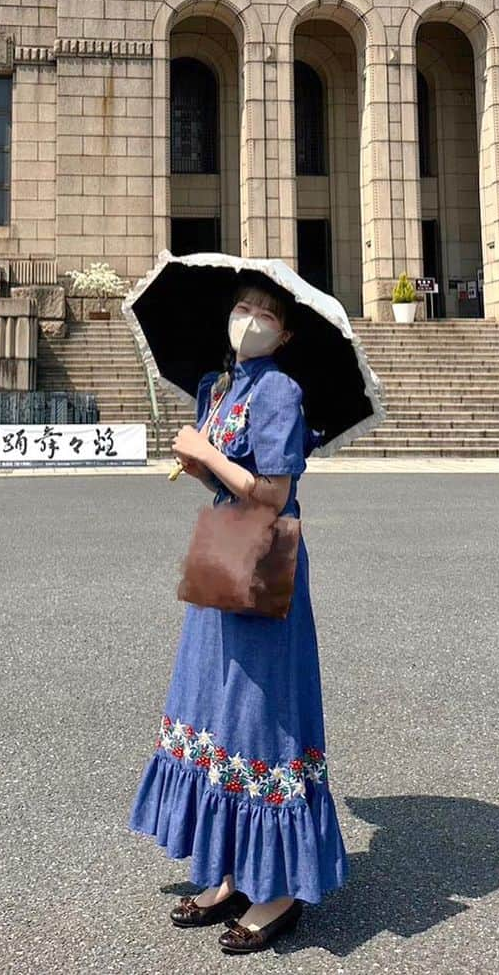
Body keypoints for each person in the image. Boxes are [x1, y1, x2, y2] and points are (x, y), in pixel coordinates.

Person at [128, 272, 348, 954]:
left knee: (259, 712)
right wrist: (199, 463)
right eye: (243, 307)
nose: (249, 319)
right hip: (224, 550)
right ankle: (231, 869)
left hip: (261, 556)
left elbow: (274, 492)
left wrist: (207, 453)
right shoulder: (222, 387)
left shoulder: (280, 390)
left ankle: (279, 889)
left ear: (285, 333)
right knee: (211, 707)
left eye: (266, 314)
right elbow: (228, 475)